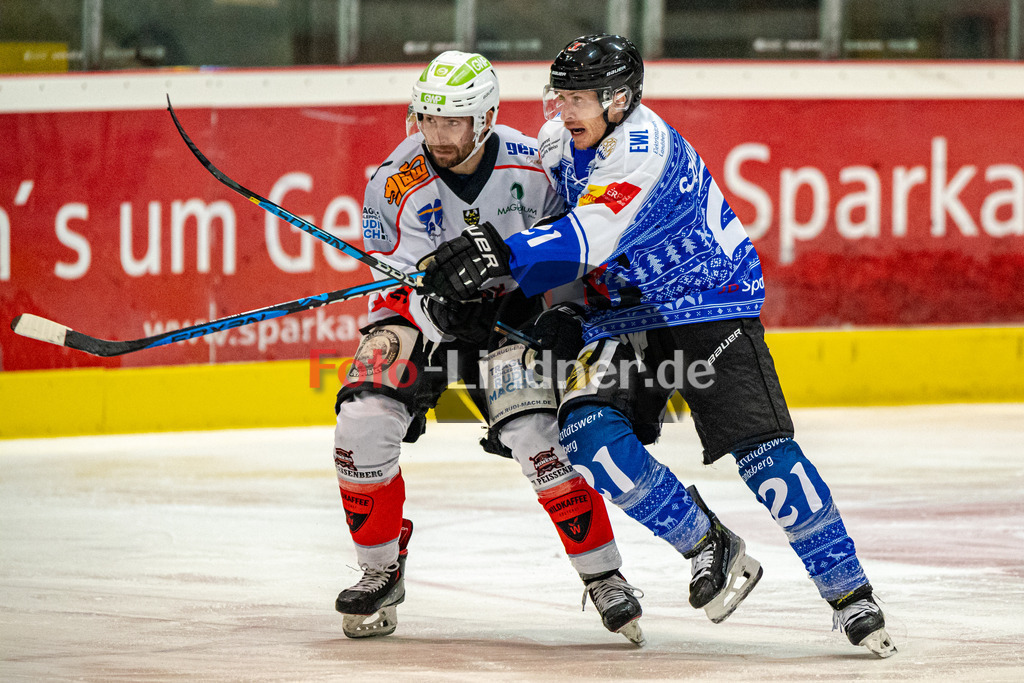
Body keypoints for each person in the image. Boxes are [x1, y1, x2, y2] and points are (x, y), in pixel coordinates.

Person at [422, 35, 897, 658]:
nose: (563, 111)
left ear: (618, 101)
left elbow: (590, 232)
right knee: (588, 435)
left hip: (708, 299)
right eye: (558, 97)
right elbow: (556, 234)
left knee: (764, 454)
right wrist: (533, 295)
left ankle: (849, 591)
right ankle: (709, 546)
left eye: (578, 100)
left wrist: (497, 257)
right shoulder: (556, 144)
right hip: (625, 311)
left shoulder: (643, 149)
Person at [331, 50, 645, 645]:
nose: (437, 135)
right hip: (425, 321)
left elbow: (570, 255)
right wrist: (433, 309)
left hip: (509, 321)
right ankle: (379, 568)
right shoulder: (392, 182)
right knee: (362, 421)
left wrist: (567, 312)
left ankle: (603, 573)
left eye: (452, 122)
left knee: (536, 436)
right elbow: (391, 284)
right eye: (427, 120)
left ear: (487, 118)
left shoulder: (536, 168)